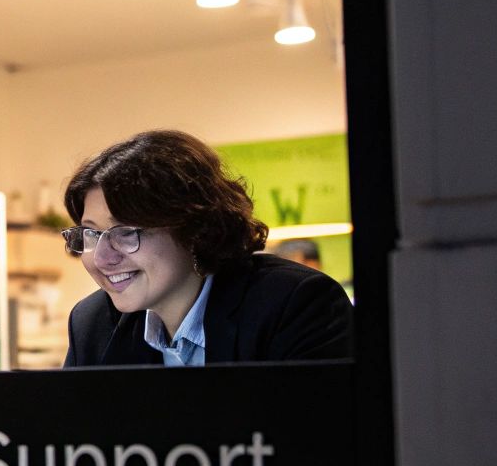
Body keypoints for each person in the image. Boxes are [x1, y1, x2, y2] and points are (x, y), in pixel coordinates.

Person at [60, 130, 352, 367]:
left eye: (125, 232)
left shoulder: (294, 304)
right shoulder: (92, 323)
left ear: (194, 228)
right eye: (92, 233)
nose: (101, 258)